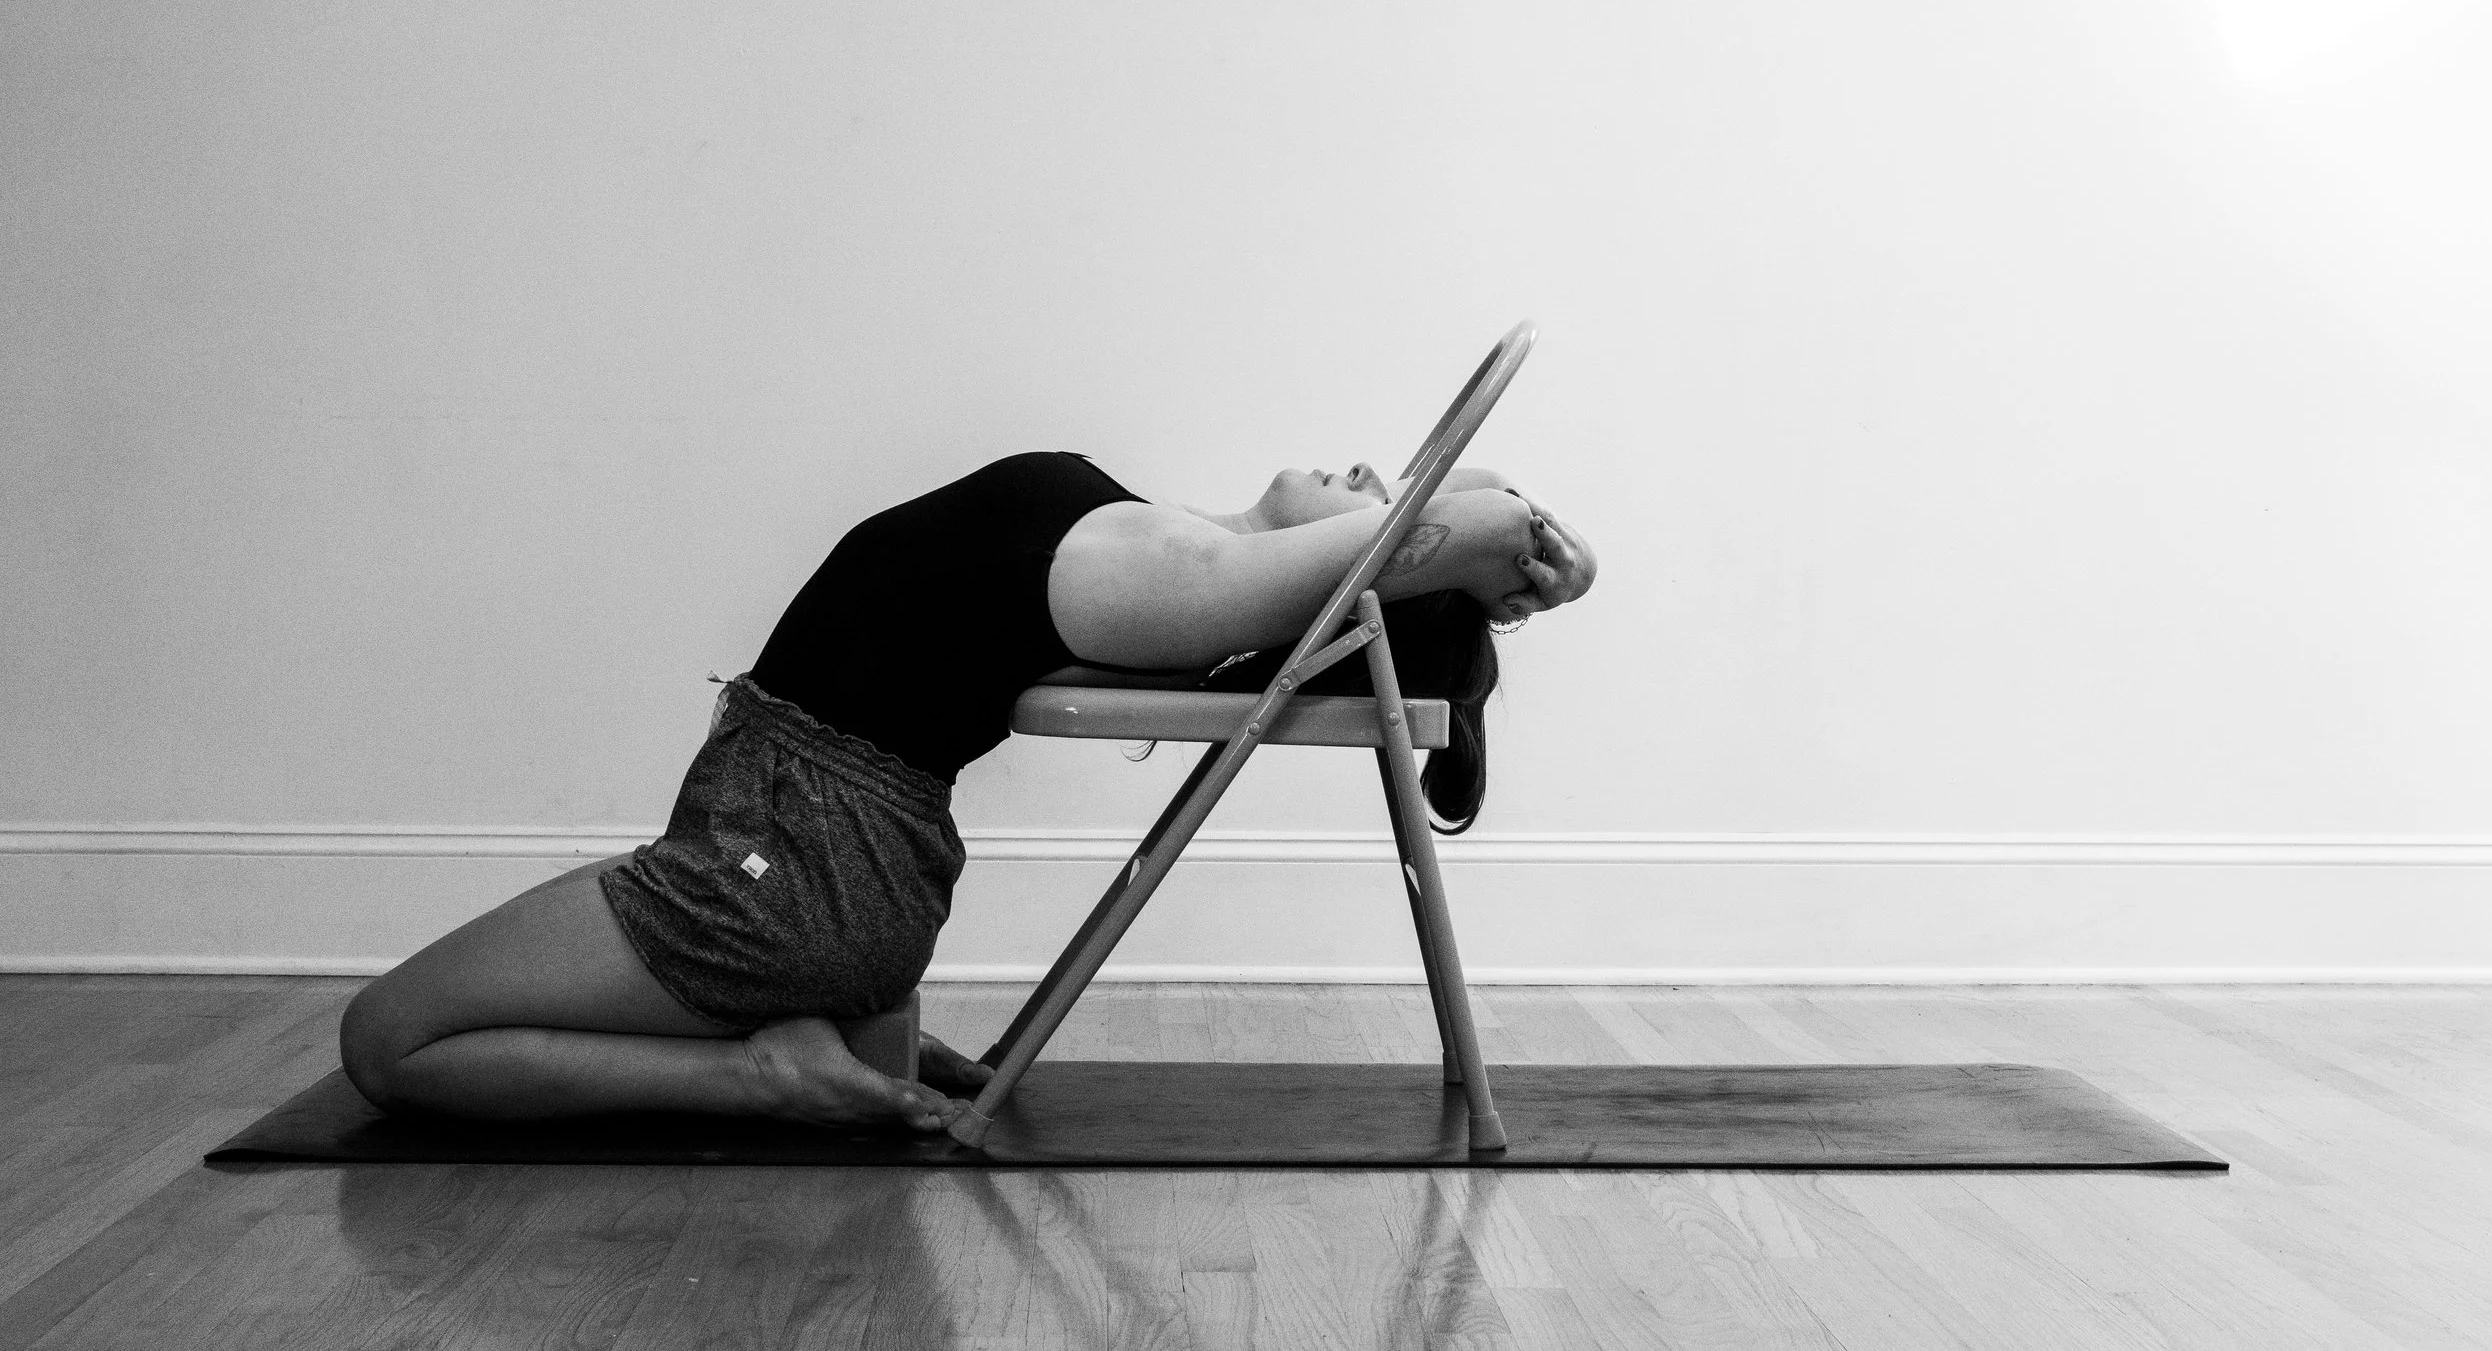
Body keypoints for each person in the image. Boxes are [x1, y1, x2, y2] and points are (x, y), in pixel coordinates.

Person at [338, 452, 1595, 1133]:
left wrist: (1546, 560)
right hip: (811, 857)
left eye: (1384, 497)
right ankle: (801, 1041)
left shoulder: (1187, 582)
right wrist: (1494, 541)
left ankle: (761, 1077)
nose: (1372, 467)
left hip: (790, 869)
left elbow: (1480, 516)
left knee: (390, 1041)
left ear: (1376, 565)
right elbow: (1472, 492)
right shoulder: (1174, 547)